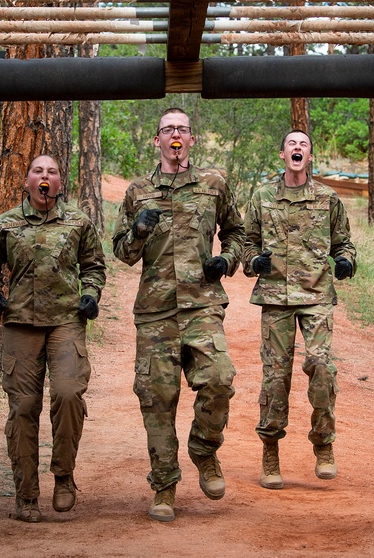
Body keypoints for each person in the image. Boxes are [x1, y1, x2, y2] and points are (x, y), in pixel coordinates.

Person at [112, 107, 244, 523]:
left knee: (220, 378)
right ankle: (165, 484)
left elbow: (237, 232)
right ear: (156, 140)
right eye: (167, 129)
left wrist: (228, 260)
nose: (174, 135)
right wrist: (138, 229)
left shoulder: (213, 184)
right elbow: (121, 253)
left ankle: (204, 450)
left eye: (181, 130)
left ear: (191, 139)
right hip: (156, 313)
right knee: (157, 399)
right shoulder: (138, 192)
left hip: (203, 304)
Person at [0, 154, 106, 523]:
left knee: (68, 394)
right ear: (28, 181)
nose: (44, 177)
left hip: (66, 320)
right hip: (19, 323)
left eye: (51, 172)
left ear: (60, 182)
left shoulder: (78, 221)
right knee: (23, 408)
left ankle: (64, 476)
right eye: (38, 171)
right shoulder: (5, 224)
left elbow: (94, 265)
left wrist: (91, 295)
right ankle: (26, 494)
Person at [243, 130, 357, 490]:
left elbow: (344, 243)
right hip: (275, 297)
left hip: (316, 296)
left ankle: (323, 444)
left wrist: (345, 262)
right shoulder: (262, 197)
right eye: (291, 144)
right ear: (282, 155)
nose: (297, 148)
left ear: (310, 156)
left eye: (303, 145)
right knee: (276, 377)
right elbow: (247, 243)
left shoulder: (327, 198)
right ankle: (270, 452)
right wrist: (253, 261)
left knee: (321, 366)